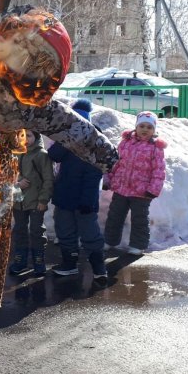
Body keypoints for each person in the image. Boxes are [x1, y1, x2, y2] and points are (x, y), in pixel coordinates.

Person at [48, 99, 107, 285]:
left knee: (90, 233)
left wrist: (88, 201)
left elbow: (94, 176)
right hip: (64, 194)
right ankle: (69, 263)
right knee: (65, 231)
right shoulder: (66, 140)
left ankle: (99, 268)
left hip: (85, 201)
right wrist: (66, 139)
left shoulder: (95, 144)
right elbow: (53, 155)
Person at [103, 111, 167, 256]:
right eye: (142, 126)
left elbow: (159, 171)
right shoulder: (125, 143)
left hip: (142, 192)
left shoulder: (156, 148)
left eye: (149, 127)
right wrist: (109, 179)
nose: (145, 129)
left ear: (154, 130)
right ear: (136, 127)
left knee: (139, 219)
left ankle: (138, 245)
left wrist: (153, 189)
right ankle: (109, 240)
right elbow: (115, 163)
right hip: (121, 188)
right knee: (114, 216)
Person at [9, 128, 54, 276]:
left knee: (36, 231)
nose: (25, 138)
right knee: (19, 230)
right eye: (21, 135)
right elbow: (9, 174)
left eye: (28, 135)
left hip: (35, 201)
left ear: (36, 136)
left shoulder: (42, 155)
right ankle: (20, 259)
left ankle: (39, 259)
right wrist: (18, 181)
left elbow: (49, 179)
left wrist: (43, 199)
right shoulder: (15, 153)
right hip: (18, 201)